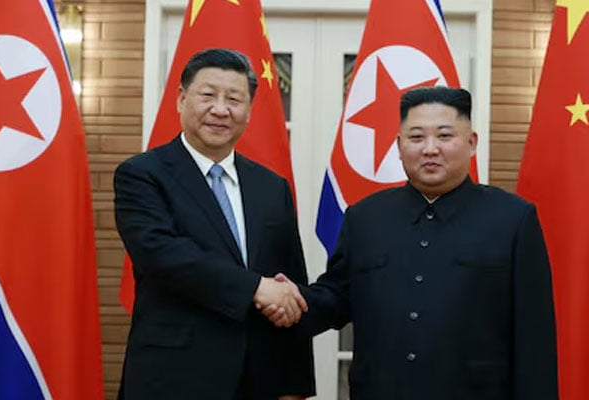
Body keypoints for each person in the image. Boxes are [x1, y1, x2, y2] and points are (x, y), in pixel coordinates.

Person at [266, 86, 558, 399]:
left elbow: (534, 339)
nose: (430, 149)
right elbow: (337, 296)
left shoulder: (513, 219)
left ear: (472, 143)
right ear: (399, 145)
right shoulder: (365, 217)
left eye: (445, 136)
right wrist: (290, 303)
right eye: (416, 137)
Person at [114, 48, 315, 400]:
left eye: (234, 99)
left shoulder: (272, 186)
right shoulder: (142, 175)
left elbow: (288, 282)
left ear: (249, 111)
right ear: (181, 99)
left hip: (259, 379)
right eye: (207, 95)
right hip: (173, 378)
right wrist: (254, 287)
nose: (220, 109)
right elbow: (162, 255)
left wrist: (295, 385)